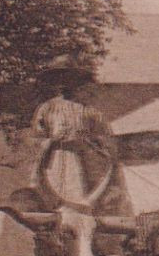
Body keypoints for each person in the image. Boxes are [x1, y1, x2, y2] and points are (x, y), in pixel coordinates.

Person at [29, 55, 132, 218]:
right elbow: (36, 137)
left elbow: (106, 139)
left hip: (78, 159)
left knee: (77, 201)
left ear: (76, 81)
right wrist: (49, 142)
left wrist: (86, 142)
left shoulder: (88, 111)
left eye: (69, 78)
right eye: (60, 78)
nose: (65, 83)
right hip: (52, 160)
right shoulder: (47, 108)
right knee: (52, 200)